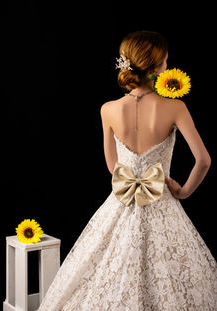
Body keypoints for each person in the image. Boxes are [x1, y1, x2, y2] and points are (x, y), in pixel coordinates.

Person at [38, 31, 217, 311]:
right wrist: (182, 191)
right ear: (156, 67)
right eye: (166, 61)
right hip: (162, 203)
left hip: (120, 202)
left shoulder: (108, 109)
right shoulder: (175, 107)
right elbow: (203, 160)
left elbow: (113, 169)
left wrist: (129, 178)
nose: (168, 66)